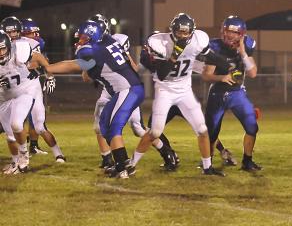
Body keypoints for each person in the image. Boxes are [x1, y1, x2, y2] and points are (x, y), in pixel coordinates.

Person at [45, 20, 144, 178]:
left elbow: (74, 65)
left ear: (92, 36)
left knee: (114, 128)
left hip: (128, 89)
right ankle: (122, 163)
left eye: (83, 38)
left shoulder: (93, 50)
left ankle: (124, 167)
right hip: (125, 89)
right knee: (104, 124)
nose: (80, 41)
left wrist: (48, 67)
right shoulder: (108, 41)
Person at [130, 13, 220, 175]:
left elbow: (212, 57)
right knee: (155, 132)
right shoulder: (160, 43)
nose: (183, 36)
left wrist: (228, 65)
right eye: (179, 32)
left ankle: (208, 168)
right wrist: (175, 53)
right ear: (173, 30)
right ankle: (131, 164)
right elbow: (163, 73)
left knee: (202, 129)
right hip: (165, 90)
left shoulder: (198, 40)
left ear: (192, 32)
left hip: (185, 91)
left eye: (186, 33)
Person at [84, 15, 178, 170]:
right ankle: (108, 159)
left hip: (124, 90)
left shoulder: (116, 41)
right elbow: (87, 77)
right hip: (108, 91)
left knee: (138, 128)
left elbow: (132, 69)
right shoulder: (90, 48)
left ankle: (167, 153)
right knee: (99, 127)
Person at [0, 16, 65, 164]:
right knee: (12, 129)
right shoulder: (3, 46)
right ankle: (20, 158)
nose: (12, 36)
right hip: (8, 92)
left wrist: (50, 76)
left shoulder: (25, 45)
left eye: (15, 32)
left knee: (39, 125)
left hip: (29, 86)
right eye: (9, 33)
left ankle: (58, 154)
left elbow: (39, 59)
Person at [202, 15, 262, 172]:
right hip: (218, 93)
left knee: (252, 127)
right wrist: (222, 77)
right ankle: (208, 163)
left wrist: (243, 53)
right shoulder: (215, 46)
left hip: (237, 94)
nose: (229, 35)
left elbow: (253, 73)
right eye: (227, 31)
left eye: (233, 33)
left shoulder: (247, 45)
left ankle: (247, 161)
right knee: (212, 131)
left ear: (241, 34)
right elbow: (206, 75)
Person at [20, 17, 49, 155]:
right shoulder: (12, 44)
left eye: (36, 32)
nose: (36, 36)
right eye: (32, 33)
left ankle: (33, 146)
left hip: (30, 85)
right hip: (15, 87)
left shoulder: (35, 44)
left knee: (35, 118)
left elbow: (39, 61)